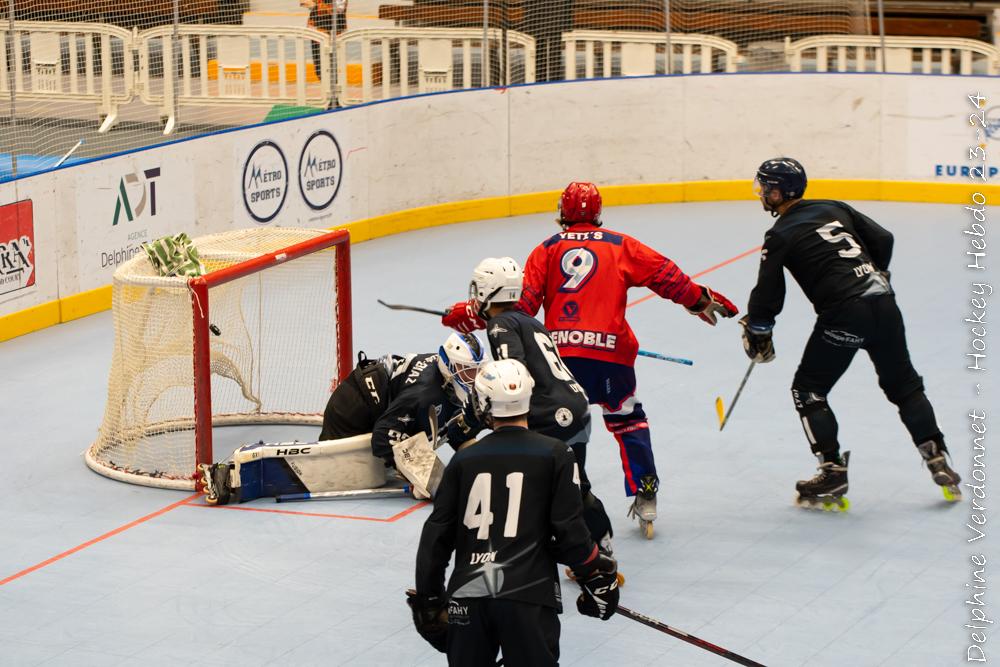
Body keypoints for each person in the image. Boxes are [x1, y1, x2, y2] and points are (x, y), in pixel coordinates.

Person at [444, 182, 739, 538]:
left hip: (561, 361)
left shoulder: (547, 250)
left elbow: (518, 311)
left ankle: (564, 502)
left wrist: (473, 314)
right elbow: (665, 274)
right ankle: (645, 491)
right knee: (627, 418)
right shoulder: (621, 244)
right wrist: (698, 300)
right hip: (611, 355)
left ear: (561, 213)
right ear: (598, 213)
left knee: (559, 431)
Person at [741, 157, 962, 511]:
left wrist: (759, 329)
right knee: (904, 385)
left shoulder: (779, 234)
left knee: (808, 390)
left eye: (765, 187)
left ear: (781, 191)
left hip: (844, 314)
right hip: (884, 304)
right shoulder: (833, 206)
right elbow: (883, 238)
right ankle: (937, 457)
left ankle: (832, 472)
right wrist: (879, 272)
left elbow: (768, 292)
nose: (761, 193)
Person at [409, 358, 620, 665]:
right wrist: (593, 574)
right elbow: (569, 530)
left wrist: (429, 600)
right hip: (529, 595)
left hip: (468, 597)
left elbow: (436, 536)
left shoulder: (464, 461)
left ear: (483, 402)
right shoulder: (556, 454)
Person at [447, 257, 615, 554]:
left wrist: (473, 417)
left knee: (524, 474)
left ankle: (530, 548)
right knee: (576, 482)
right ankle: (600, 543)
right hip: (575, 405)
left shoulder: (499, 326)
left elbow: (513, 375)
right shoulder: (529, 321)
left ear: (486, 291)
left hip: (549, 412)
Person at [200, 332, 484, 505]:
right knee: (328, 467)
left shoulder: (445, 381)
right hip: (353, 406)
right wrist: (413, 469)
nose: (472, 379)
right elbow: (383, 438)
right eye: (467, 372)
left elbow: (453, 430)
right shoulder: (424, 393)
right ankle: (227, 476)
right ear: (449, 366)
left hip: (376, 399)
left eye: (475, 371)